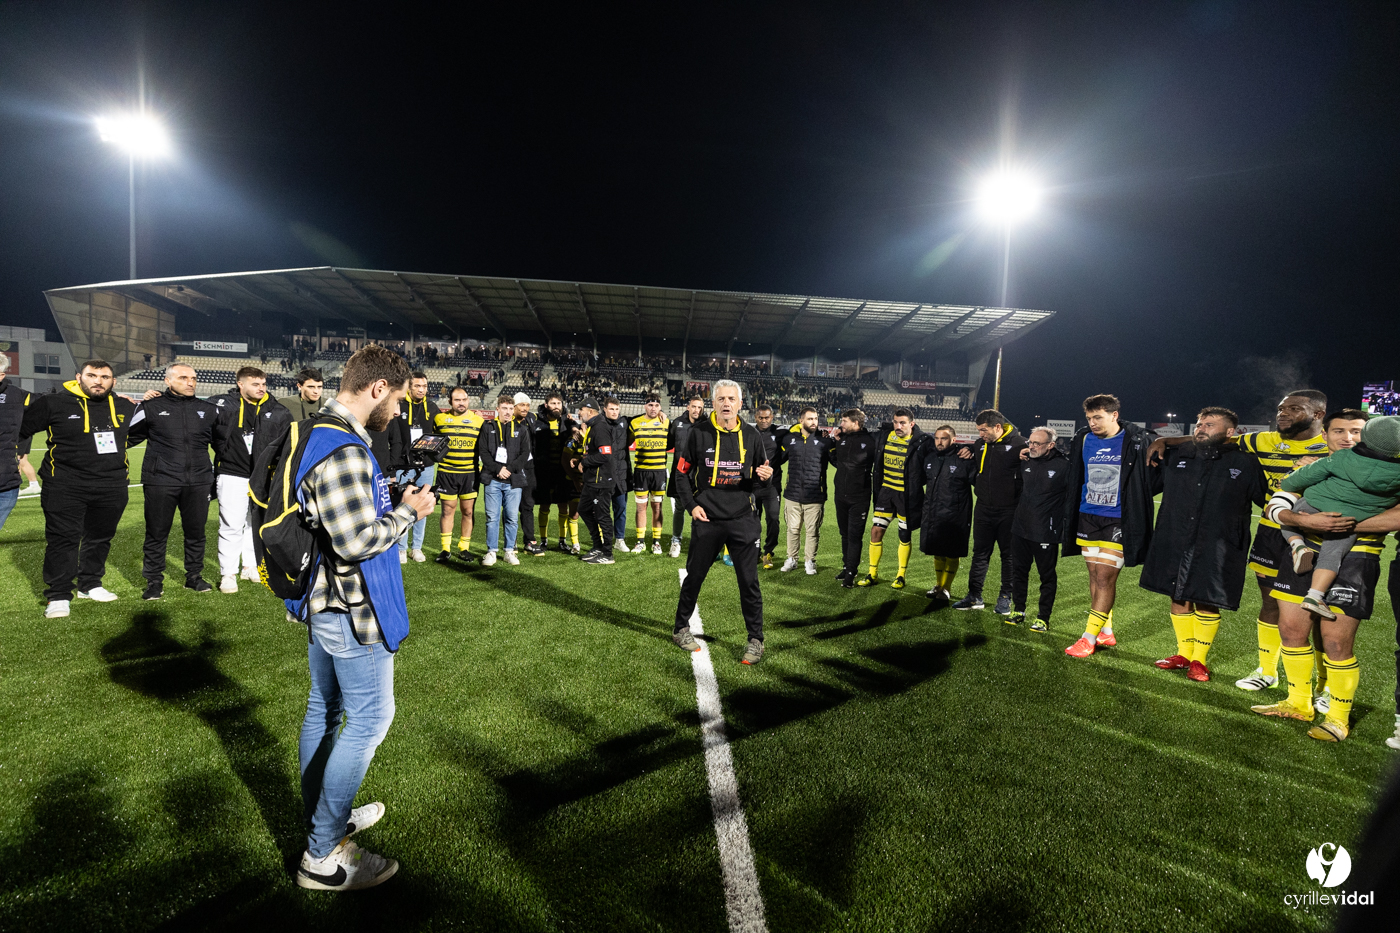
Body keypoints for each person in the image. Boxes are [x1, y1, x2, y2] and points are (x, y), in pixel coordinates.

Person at [287, 345, 435, 891]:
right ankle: (323, 853)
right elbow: (356, 542)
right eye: (395, 399)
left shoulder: (315, 429)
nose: (397, 411)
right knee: (369, 720)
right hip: (351, 605)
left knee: (323, 713)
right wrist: (408, 512)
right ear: (378, 389)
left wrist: (387, 496)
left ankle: (322, 820)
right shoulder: (344, 447)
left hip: (321, 599)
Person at [1148, 392, 1329, 692]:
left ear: (1319, 414)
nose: (1283, 413)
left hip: (1316, 534)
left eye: (1294, 409)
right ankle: (1267, 671)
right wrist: (1165, 441)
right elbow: (1212, 439)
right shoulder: (1261, 441)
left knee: (1319, 609)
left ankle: (1325, 686)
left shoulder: (1332, 447)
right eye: (1281, 408)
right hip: (1272, 532)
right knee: (1270, 603)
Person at [1250, 490, 1394, 742]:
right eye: (1340, 444)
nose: (1347, 445)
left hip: (1358, 556)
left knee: (1336, 642)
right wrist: (1304, 521)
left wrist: (1339, 523)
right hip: (1304, 550)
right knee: (1290, 629)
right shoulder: (1316, 466)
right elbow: (1278, 501)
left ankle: (1338, 719)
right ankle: (1298, 703)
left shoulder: (1390, 469)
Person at [1140, 408, 1267, 681]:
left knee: (1207, 598)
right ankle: (1183, 654)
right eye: (1199, 424)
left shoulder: (1246, 462)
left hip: (1219, 542)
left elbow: (1265, 501)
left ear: (1230, 432)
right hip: (1175, 537)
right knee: (1176, 594)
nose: (1200, 428)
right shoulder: (1176, 456)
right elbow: (1146, 487)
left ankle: (1200, 659)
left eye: (1209, 424)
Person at [20, 360, 140, 617]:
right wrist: (16, 457)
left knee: (100, 538)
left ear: (113, 381)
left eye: (105, 377)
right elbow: (20, 428)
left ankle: (90, 584)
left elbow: (136, 434)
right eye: (92, 375)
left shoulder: (123, 406)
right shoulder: (54, 403)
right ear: (79, 377)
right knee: (63, 539)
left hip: (112, 484)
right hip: (65, 484)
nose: (98, 381)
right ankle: (59, 595)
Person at [671, 379, 773, 664]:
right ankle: (680, 629)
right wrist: (691, 506)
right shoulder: (697, 433)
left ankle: (756, 639)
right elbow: (681, 473)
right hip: (708, 518)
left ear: (740, 404)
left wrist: (766, 477)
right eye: (721, 399)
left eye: (731, 399)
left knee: (749, 582)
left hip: (743, 519)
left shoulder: (753, 436)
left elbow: (760, 477)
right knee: (695, 577)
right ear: (713, 403)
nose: (726, 404)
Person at [1273, 416, 1400, 618]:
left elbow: (1291, 485)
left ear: (1364, 436)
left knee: (1291, 514)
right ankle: (1315, 596)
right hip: (1349, 520)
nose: (1348, 437)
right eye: (1339, 431)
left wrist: (1294, 481)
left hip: (1314, 504)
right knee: (1332, 555)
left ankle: (1297, 544)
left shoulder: (1340, 458)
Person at [1060, 394, 1153, 657]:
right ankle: (1106, 631)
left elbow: (1153, 472)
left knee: (1104, 577)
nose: (1092, 423)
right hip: (1088, 516)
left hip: (1119, 519)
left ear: (1114, 416)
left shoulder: (1135, 439)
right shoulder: (1084, 439)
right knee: (1094, 576)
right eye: (1089, 418)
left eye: (1098, 417)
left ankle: (1088, 638)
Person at [125, 363, 219, 599]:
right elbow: (124, 437)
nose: (190, 382)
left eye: (194, 378)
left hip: (198, 481)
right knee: (157, 533)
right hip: (160, 481)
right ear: (168, 381)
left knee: (196, 533)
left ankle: (194, 577)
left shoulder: (208, 410)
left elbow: (223, 446)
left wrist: (215, 477)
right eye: (184, 377)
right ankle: (154, 581)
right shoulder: (151, 407)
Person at [212, 366, 292, 593]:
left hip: (263, 476)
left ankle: (250, 565)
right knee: (231, 524)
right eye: (255, 384)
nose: (261, 388)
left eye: (263, 384)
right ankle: (228, 573)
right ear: (241, 384)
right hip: (231, 473)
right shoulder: (222, 405)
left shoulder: (278, 411)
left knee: (253, 523)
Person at [953, 409, 1027, 612]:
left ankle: (1005, 597)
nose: (980, 434)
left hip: (1009, 510)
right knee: (980, 554)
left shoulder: (1021, 444)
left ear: (997, 427)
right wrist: (968, 447)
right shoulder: (979, 444)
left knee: (1008, 556)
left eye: (983, 430)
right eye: (978, 430)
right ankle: (974, 595)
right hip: (984, 508)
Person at [859, 408, 929, 589]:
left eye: (903, 423)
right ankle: (872, 572)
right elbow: (863, 436)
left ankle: (900, 575)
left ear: (911, 424)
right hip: (886, 493)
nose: (898, 426)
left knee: (904, 534)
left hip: (907, 496)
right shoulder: (884, 436)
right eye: (896, 422)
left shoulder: (921, 442)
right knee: (876, 531)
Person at [1007, 427, 1068, 631]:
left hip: (1045, 531)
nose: (1031, 446)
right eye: (1030, 443)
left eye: (1037, 443)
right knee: (1019, 572)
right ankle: (1018, 610)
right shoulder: (1025, 462)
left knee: (1047, 576)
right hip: (1020, 528)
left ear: (1050, 445)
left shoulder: (1064, 466)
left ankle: (1043, 617)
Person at [919, 424, 975, 601]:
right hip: (933, 513)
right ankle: (938, 585)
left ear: (954, 439)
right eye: (936, 438)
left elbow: (978, 483)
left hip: (955, 515)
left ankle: (946, 587)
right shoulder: (930, 458)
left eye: (943, 438)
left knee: (952, 552)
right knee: (937, 551)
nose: (939, 442)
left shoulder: (964, 459)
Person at [477, 395, 532, 566]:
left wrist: (509, 469)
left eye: (510, 408)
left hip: (514, 480)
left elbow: (525, 454)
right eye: (504, 408)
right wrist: (497, 469)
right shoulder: (488, 427)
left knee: (512, 518)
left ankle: (509, 551)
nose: (508, 412)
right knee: (492, 517)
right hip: (493, 479)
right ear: (498, 409)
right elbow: (483, 452)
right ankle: (491, 551)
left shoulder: (522, 429)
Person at [432, 386, 485, 563]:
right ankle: (445, 549)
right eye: (457, 400)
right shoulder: (439, 419)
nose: (461, 403)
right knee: (447, 510)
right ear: (450, 402)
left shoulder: (478, 421)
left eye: (464, 400)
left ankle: (464, 547)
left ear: (468, 401)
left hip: (469, 473)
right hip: (446, 472)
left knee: (468, 511)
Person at [777, 407, 832, 575]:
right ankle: (792, 559)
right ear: (801, 421)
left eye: (815, 418)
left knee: (812, 531)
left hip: (815, 495)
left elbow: (838, 462)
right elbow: (778, 459)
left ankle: (809, 561)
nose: (814, 422)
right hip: (792, 494)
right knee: (792, 529)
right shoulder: (790, 440)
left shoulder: (825, 442)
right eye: (809, 419)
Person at [577, 396, 630, 564]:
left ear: (590, 411)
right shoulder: (594, 426)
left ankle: (607, 553)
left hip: (601, 480)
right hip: (593, 479)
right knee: (584, 510)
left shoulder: (600, 427)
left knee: (603, 515)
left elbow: (605, 455)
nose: (579, 413)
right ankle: (598, 546)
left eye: (581, 410)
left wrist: (584, 462)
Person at [395, 371, 437, 563]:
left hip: (426, 465)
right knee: (403, 505)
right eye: (417, 386)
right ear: (409, 387)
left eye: (424, 386)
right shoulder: (400, 405)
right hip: (404, 465)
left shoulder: (432, 407)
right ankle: (401, 548)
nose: (421, 390)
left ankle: (416, 548)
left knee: (424, 505)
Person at [830, 408, 875, 587]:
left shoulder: (870, 441)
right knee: (844, 534)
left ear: (855, 423)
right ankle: (846, 566)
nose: (841, 424)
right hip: (840, 495)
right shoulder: (843, 440)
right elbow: (837, 462)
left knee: (854, 535)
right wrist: (832, 445)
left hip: (859, 497)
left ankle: (851, 573)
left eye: (844, 421)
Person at [627, 394, 671, 554]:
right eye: (650, 405)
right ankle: (640, 542)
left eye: (656, 405)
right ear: (645, 406)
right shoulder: (635, 423)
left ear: (660, 407)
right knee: (640, 508)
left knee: (657, 507)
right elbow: (626, 441)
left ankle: (656, 542)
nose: (653, 408)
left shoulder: (666, 422)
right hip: (641, 472)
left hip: (659, 472)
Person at [532, 391, 575, 552]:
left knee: (563, 506)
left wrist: (576, 428)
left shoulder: (566, 421)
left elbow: (577, 429)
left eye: (559, 403)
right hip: (543, 471)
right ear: (546, 405)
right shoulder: (537, 421)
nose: (556, 406)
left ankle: (562, 541)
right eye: (553, 403)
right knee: (545, 505)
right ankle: (543, 540)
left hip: (562, 471)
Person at [666, 396, 706, 557]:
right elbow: (668, 444)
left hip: (700, 475)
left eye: (700, 408)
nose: (697, 410)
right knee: (680, 509)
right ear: (688, 407)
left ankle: (698, 542)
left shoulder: (706, 425)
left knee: (700, 508)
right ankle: (676, 541)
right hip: (680, 474)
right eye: (694, 407)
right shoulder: (677, 423)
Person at [511, 392, 546, 556]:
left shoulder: (531, 418)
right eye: (521, 405)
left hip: (529, 466)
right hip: (512, 467)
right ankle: (511, 542)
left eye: (527, 405)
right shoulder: (507, 420)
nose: (525, 408)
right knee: (510, 506)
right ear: (514, 406)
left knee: (528, 505)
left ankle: (529, 541)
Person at [0, 352, 33, 531]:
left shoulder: (17, 396)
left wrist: (110, 398)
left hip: (5, 487)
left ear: (1, 375)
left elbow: (52, 403)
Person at [752, 404, 785, 568]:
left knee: (773, 518)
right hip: (753, 486)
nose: (764, 420)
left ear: (772, 418)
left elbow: (799, 431)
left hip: (772, 486)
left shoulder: (780, 433)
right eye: (761, 417)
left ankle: (768, 552)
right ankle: (755, 551)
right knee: (753, 520)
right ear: (755, 417)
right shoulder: (749, 433)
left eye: (767, 417)